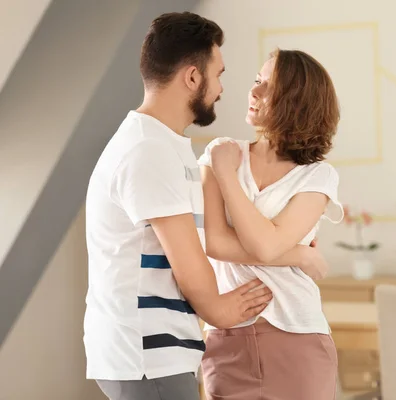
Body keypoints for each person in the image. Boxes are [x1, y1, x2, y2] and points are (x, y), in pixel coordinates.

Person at [84, 13, 327, 400]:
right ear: (193, 78)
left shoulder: (164, 146)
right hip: (148, 352)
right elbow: (190, 256)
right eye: (219, 74)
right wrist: (220, 312)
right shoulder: (149, 149)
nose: (223, 88)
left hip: (162, 350)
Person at [198, 48, 344, 400]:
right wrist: (298, 255)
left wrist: (227, 177)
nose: (255, 92)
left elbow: (265, 246)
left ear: (297, 101)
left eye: (270, 87)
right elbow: (214, 243)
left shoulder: (317, 176)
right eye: (257, 81)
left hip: (298, 339)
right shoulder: (221, 151)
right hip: (227, 340)